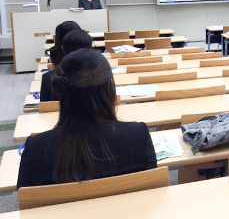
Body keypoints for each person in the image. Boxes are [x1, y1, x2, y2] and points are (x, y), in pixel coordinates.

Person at [17, 49, 157, 188]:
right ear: (108, 90)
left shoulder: (35, 149)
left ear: (62, 92)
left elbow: (25, 199)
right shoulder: (138, 136)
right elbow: (153, 191)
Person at [41, 30, 93, 102]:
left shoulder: (48, 78)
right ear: (90, 48)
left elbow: (44, 106)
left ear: (62, 48)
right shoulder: (101, 73)